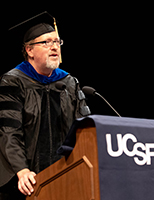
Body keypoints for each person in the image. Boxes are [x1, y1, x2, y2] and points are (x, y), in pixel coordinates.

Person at [0, 12, 90, 200]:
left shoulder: (69, 82)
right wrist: (22, 169)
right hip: (25, 180)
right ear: (29, 50)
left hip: (65, 176)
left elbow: (84, 129)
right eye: (46, 42)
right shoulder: (13, 81)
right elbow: (8, 131)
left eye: (57, 42)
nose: (54, 47)